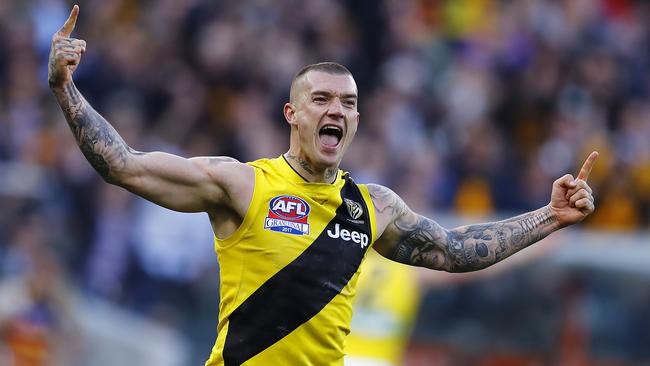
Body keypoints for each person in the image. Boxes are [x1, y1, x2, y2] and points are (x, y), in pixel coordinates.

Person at [48, 6, 598, 366]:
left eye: (350, 104)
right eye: (323, 100)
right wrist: (65, 89)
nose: (338, 110)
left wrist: (548, 217)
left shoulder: (373, 208)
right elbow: (123, 164)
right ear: (292, 113)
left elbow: (457, 252)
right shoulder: (242, 184)